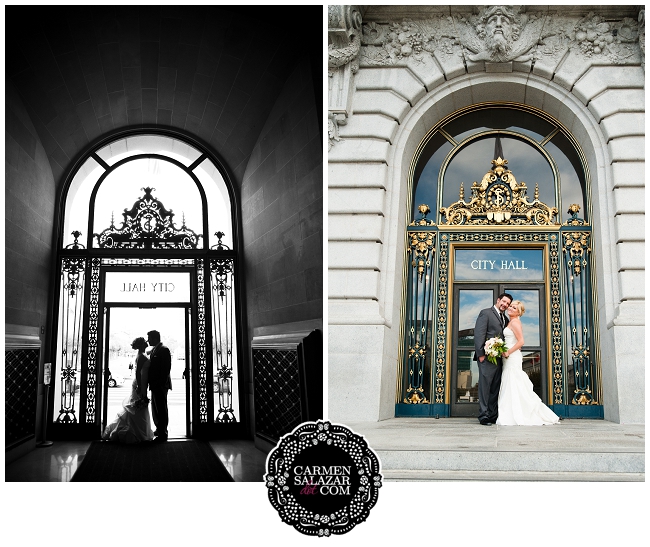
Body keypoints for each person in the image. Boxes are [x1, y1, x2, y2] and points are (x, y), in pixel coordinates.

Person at [497, 301, 559, 426]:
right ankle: (511, 412)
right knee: (511, 382)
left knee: (514, 381)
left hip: (512, 356)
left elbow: (521, 341)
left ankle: (518, 413)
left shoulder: (515, 322)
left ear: (518, 312)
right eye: (511, 306)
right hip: (508, 356)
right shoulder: (510, 322)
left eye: (514, 308)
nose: (510, 308)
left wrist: (508, 352)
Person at [102, 337, 154, 443]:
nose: (147, 343)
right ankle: (138, 432)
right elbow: (138, 372)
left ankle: (140, 430)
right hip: (140, 384)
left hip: (142, 383)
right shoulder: (142, 357)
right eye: (145, 342)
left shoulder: (141, 355)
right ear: (141, 345)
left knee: (138, 407)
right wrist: (139, 386)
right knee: (138, 407)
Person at [474, 293, 512, 425]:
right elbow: (479, 334)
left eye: (507, 304)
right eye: (504, 302)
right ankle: (483, 415)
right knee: (485, 387)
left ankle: (492, 415)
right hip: (486, 357)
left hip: (499, 359)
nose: (505, 305)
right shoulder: (485, 313)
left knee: (495, 388)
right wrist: (481, 355)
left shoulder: (505, 319)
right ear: (498, 300)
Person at [147, 330, 172, 442]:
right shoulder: (155, 350)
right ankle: (159, 428)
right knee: (156, 408)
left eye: (149, 338)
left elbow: (166, 369)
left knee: (161, 408)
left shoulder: (164, 350)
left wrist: (160, 384)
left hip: (160, 385)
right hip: (155, 385)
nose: (148, 340)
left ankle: (163, 432)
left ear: (155, 338)